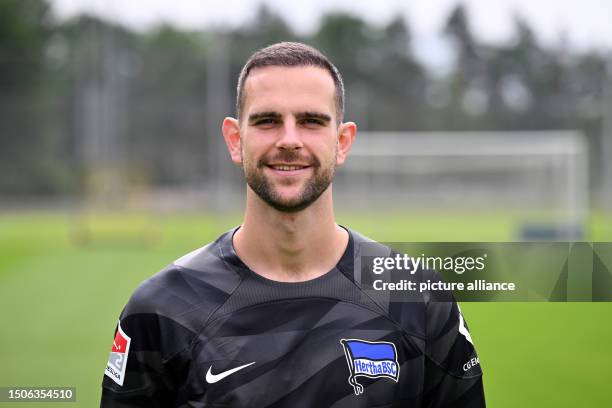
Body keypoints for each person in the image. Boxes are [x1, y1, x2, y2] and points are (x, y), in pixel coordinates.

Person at [101, 42, 485, 407]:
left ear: (343, 141)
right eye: (268, 121)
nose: (289, 140)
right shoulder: (161, 309)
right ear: (235, 140)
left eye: (311, 121)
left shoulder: (417, 299)